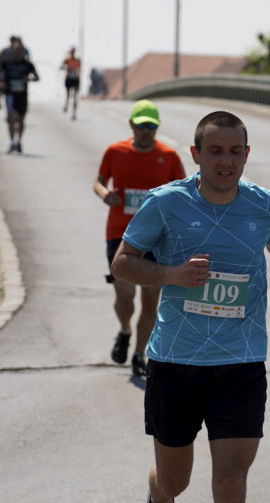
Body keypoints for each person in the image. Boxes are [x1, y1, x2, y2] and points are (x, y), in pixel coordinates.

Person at [111, 110, 270, 503]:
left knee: (231, 483)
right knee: (178, 479)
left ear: (246, 153)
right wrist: (170, 274)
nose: (226, 161)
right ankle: (160, 501)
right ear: (196, 154)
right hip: (175, 362)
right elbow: (125, 261)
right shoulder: (167, 203)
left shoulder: (265, 204)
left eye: (235, 151)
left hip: (241, 364)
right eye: (214, 151)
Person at [94, 100, 186, 377]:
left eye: (152, 126)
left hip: (158, 239)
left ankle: (139, 354)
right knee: (125, 296)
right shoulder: (115, 151)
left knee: (150, 301)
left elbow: (183, 191)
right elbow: (98, 180)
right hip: (120, 234)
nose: (147, 130)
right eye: (142, 125)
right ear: (131, 125)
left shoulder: (168, 156)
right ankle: (124, 330)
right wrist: (104, 194)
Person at [0, 44, 38, 153]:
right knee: (11, 117)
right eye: (17, 51)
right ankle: (12, 142)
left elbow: (37, 78)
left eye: (21, 52)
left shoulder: (28, 65)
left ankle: (18, 141)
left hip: (22, 95)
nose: (19, 54)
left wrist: (28, 78)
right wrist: (1, 82)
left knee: (21, 120)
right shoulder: (7, 63)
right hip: (10, 94)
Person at [61, 46, 81, 119]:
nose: (73, 53)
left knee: (75, 97)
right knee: (68, 95)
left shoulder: (78, 60)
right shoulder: (67, 60)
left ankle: (74, 113)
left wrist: (77, 72)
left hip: (75, 79)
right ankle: (66, 105)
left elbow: (80, 69)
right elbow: (61, 67)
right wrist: (66, 68)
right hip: (69, 78)